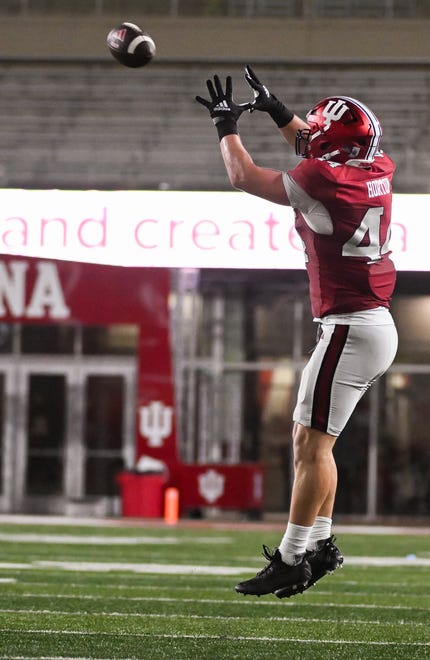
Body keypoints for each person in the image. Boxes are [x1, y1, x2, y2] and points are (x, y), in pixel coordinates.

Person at [196, 67, 398, 599]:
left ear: (331, 144)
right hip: (370, 323)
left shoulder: (321, 181)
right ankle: (323, 542)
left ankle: (291, 556)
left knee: (311, 447)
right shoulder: (376, 166)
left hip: (350, 326)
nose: (307, 131)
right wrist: (279, 111)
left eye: (315, 128)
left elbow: (244, 177)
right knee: (311, 443)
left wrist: (226, 125)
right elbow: (319, 147)